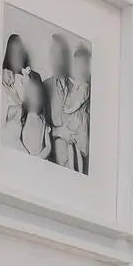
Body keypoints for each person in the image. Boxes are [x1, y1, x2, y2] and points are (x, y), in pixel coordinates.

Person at [53, 39, 93, 174]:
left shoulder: (84, 86)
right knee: (71, 146)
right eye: (76, 64)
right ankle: (73, 170)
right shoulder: (75, 83)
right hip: (68, 129)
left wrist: (68, 108)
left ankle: (79, 172)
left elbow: (77, 103)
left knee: (77, 149)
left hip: (79, 123)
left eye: (82, 65)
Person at [0, 33, 32, 146]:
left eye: (20, 52)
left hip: (20, 134)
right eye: (14, 52)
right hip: (5, 133)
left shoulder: (22, 79)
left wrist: (26, 78)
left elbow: (28, 106)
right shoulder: (0, 75)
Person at [15, 71, 54, 162]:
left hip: (39, 161)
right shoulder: (22, 115)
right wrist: (27, 157)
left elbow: (48, 147)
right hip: (24, 160)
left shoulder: (43, 119)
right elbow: (17, 139)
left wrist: (38, 159)